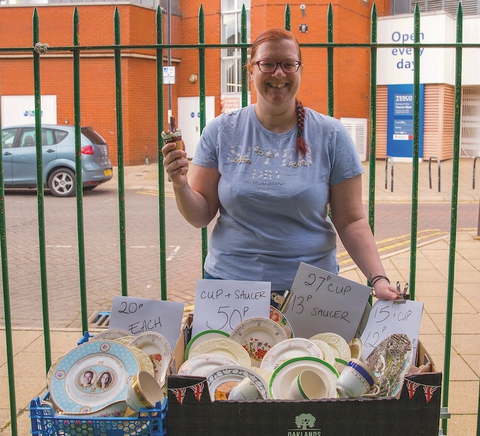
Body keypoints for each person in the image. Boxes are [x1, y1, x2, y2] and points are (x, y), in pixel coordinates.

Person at [163, 27, 399, 303]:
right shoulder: (220, 131)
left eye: (288, 64)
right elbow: (200, 215)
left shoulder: (331, 134)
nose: (278, 73)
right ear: (250, 70)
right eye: (268, 64)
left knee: (310, 350)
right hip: (230, 287)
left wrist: (379, 279)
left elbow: (352, 221)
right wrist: (180, 186)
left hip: (310, 292)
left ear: (299, 70)